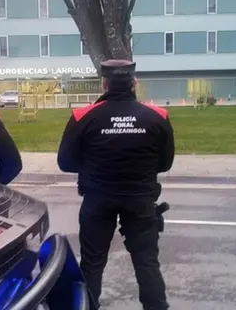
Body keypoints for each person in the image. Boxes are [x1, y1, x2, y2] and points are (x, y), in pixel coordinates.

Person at [57, 59, 175, 310]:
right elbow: (165, 163)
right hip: (141, 199)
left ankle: (87, 306)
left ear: (104, 83)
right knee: (147, 262)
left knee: (92, 263)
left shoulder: (82, 116)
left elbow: (65, 162)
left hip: (98, 199)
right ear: (134, 82)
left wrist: (92, 164)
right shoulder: (157, 116)